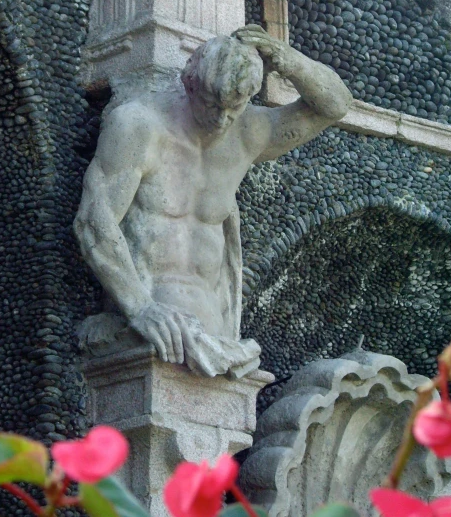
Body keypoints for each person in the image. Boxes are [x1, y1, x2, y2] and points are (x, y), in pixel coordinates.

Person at [74, 24, 353, 377]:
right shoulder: (138, 125)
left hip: (219, 333)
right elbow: (92, 222)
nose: (221, 119)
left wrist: (287, 59)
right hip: (146, 323)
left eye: (234, 108)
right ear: (189, 84)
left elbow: (335, 106)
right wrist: (141, 308)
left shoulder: (249, 132)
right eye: (211, 105)